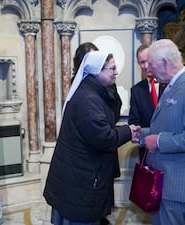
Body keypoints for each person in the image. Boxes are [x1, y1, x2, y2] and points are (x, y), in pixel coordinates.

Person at [43, 51, 140, 225]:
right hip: (82, 179)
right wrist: (128, 131)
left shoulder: (92, 92)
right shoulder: (89, 99)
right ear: (97, 71)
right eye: (112, 68)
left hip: (79, 175)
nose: (116, 72)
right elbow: (105, 138)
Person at [141, 39, 185, 225]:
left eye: (151, 63)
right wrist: (141, 133)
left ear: (165, 62)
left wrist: (158, 141)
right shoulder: (171, 85)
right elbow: (167, 127)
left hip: (176, 185)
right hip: (162, 182)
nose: (148, 69)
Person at [72, 42, 122, 225]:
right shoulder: (83, 90)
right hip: (93, 144)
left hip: (105, 137)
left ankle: (102, 214)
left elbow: (116, 107)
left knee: (105, 183)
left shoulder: (107, 83)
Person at [128, 44, 165, 161]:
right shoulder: (136, 90)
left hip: (170, 150)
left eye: (148, 61)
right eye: (141, 62)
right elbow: (134, 122)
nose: (145, 66)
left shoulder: (170, 84)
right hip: (147, 152)